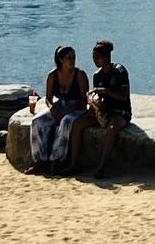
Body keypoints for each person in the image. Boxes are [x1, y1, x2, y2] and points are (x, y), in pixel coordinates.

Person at [71, 39, 132, 178]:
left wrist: (104, 91)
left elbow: (123, 96)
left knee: (112, 129)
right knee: (77, 124)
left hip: (120, 112)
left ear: (106, 57)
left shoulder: (119, 71)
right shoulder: (97, 75)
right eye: (93, 57)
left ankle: (101, 167)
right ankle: (73, 163)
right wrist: (93, 103)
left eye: (96, 57)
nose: (94, 60)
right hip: (104, 111)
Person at [27, 45, 88, 174]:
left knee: (66, 121)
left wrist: (68, 109)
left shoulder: (80, 75)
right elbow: (48, 98)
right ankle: (40, 160)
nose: (72, 60)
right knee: (37, 121)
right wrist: (53, 108)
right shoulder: (53, 75)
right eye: (69, 58)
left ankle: (57, 160)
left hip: (77, 107)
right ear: (61, 60)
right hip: (60, 105)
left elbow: (84, 100)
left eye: (74, 57)